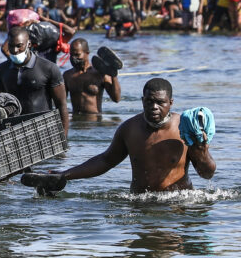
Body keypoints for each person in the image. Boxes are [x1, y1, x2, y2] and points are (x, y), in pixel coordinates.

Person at [22, 78, 216, 194]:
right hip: (140, 203)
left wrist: (202, 149)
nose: (154, 107)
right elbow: (106, 160)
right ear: (142, 101)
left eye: (160, 102)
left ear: (171, 103)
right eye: (149, 101)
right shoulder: (129, 129)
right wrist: (65, 175)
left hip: (178, 206)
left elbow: (207, 174)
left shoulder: (186, 129)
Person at [0, 27, 69, 135]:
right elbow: (0, 104)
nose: (15, 50)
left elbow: (61, 105)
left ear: (29, 44)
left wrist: (63, 137)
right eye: (11, 46)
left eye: (19, 46)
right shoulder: (1, 70)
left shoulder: (49, 68)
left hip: (43, 129)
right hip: (14, 131)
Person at [63, 39, 121, 115]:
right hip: (76, 122)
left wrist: (113, 75)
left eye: (77, 55)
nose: (74, 58)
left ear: (87, 53)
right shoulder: (67, 75)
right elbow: (61, 102)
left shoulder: (100, 74)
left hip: (95, 121)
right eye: (71, 55)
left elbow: (116, 99)